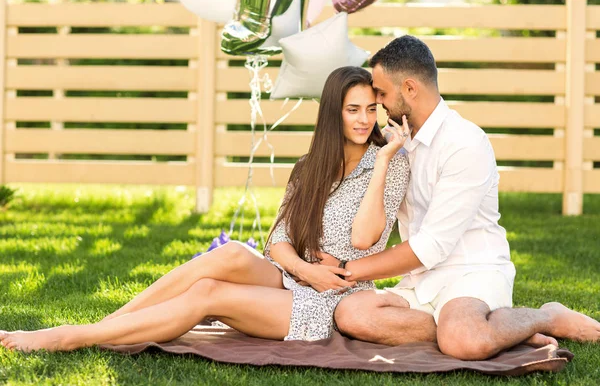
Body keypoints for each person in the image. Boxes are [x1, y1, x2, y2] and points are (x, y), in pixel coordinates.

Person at [0, 66, 436, 352]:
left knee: (208, 294)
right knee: (226, 256)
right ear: (332, 114)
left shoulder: (391, 162)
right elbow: (278, 239)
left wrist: (380, 163)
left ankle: (73, 337)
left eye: (371, 109)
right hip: (299, 275)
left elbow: (364, 239)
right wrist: (304, 270)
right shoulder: (310, 166)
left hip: (335, 295)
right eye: (352, 109)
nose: (363, 120)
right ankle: (110, 326)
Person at [317, 36, 600, 360]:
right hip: (422, 281)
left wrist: (345, 269)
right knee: (351, 313)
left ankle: (547, 316)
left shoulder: (465, 143)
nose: (377, 103)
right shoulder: (399, 142)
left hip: (472, 274)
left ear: (409, 89)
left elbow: (431, 246)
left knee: (463, 340)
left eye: (381, 93)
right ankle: (494, 331)